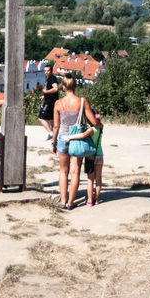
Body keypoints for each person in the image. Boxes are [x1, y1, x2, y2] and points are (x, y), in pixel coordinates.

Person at [52, 76, 98, 209]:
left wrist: (54, 142)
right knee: (75, 171)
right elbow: (93, 121)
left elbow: (55, 126)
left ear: (64, 87)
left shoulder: (58, 103)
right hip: (77, 138)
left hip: (62, 138)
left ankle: (62, 200)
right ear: (76, 86)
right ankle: (70, 202)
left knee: (63, 171)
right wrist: (99, 125)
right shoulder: (82, 102)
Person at [71, 111, 105, 207]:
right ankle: (97, 199)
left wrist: (69, 137)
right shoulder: (100, 128)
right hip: (100, 155)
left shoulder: (91, 130)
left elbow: (82, 135)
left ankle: (90, 200)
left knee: (90, 179)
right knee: (98, 178)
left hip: (90, 156)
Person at [38, 67, 60, 139]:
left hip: (49, 102)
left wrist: (46, 92)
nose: (46, 72)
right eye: (45, 71)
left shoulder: (51, 78)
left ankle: (50, 133)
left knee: (41, 118)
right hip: (52, 102)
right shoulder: (49, 79)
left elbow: (56, 88)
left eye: (48, 71)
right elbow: (51, 90)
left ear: (51, 71)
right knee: (51, 120)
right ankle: (54, 136)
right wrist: (44, 96)